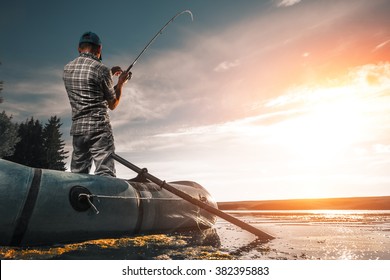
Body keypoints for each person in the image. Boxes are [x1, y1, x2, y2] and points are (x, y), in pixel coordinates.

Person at [63, 31, 131, 177]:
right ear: (99, 49)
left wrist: (109, 74)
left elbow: (88, 86)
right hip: (99, 129)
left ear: (79, 48)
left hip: (78, 131)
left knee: (78, 175)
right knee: (105, 174)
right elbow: (112, 104)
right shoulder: (102, 70)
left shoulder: (67, 69)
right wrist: (120, 84)